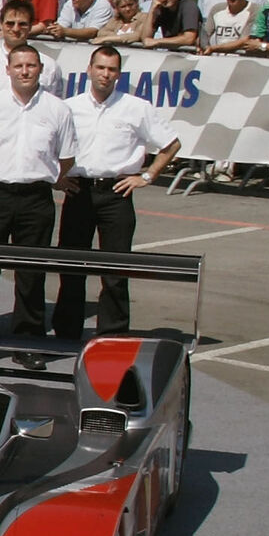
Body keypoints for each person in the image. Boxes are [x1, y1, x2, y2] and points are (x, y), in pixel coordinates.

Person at [54, 46, 183, 336]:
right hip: (79, 191)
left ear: (119, 74)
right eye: (100, 68)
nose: (105, 74)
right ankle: (66, 331)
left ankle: (113, 333)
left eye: (111, 69)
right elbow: (49, 146)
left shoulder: (136, 108)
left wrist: (147, 176)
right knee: (72, 265)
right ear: (89, 69)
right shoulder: (70, 107)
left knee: (115, 270)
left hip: (117, 193)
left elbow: (171, 144)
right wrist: (56, 179)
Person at [0, 45, 75, 336]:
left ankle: (28, 338)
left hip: (36, 199)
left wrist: (45, 177)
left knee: (31, 273)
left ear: (40, 69)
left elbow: (67, 157)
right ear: (8, 69)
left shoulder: (57, 109)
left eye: (31, 66)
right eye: (19, 65)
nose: (25, 71)